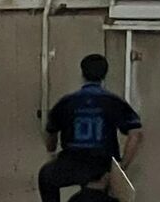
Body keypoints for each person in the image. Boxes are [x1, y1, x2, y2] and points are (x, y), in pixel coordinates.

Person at [38, 54, 142, 202]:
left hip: (71, 163)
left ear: (82, 73)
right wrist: (121, 166)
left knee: (46, 176)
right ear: (104, 75)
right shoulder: (113, 102)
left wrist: (52, 149)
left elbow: (50, 137)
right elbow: (136, 134)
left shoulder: (67, 102)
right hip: (102, 165)